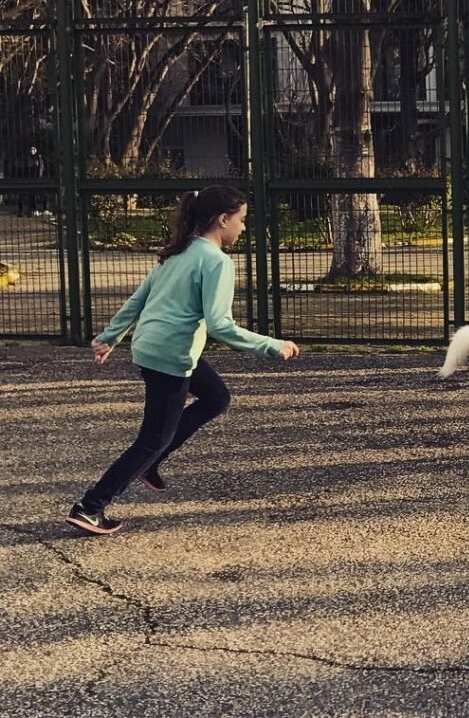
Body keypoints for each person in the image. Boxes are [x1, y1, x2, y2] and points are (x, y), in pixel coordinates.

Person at [66, 185, 299, 536]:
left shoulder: (179, 250)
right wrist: (271, 345)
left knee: (216, 397)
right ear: (223, 220)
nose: (244, 227)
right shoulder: (217, 261)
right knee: (152, 439)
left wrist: (109, 337)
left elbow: (138, 299)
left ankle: (151, 463)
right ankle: (91, 506)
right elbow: (220, 324)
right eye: (242, 220)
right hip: (170, 355)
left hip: (150, 346)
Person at [16, 145, 47, 218]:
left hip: (37, 180)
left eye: (34, 149)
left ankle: (43, 209)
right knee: (24, 195)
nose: (32, 151)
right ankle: (22, 210)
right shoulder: (27, 159)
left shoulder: (39, 158)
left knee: (39, 194)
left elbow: (41, 168)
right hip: (27, 180)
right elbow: (24, 168)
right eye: (31, 149)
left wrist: (39, 178)